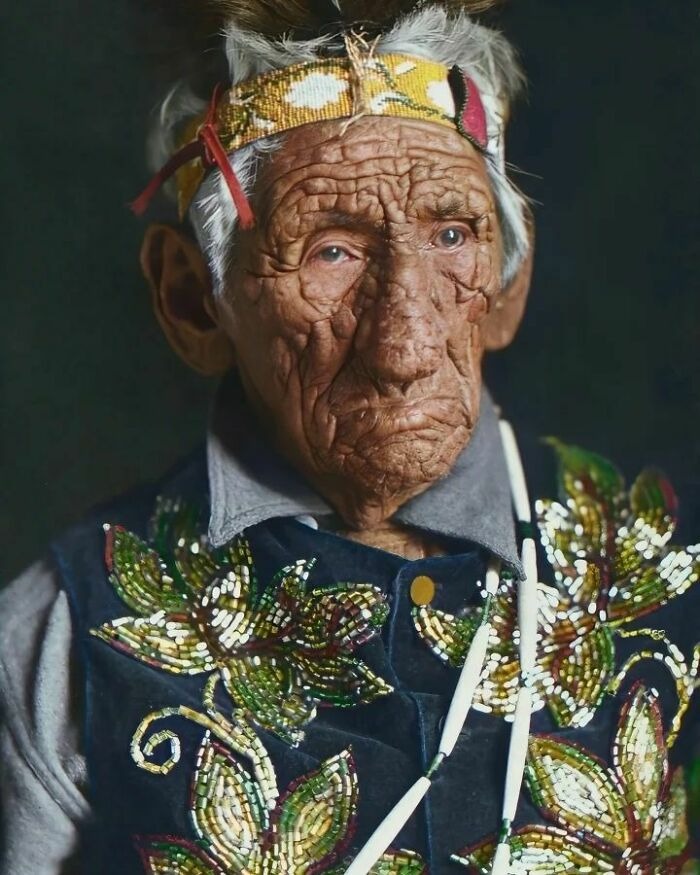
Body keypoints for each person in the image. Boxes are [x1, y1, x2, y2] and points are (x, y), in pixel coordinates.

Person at [1, 2, 698, 873]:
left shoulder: (673, 568)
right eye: (332, 251)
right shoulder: (62, 634)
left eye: (453, 236)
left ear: (509, 286)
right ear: (192, 301)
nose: (402, 346)